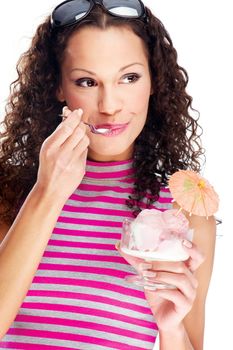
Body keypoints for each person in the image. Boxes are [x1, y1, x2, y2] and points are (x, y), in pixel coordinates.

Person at [0, 0, 216, 349]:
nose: (110, 106)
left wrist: (171, 328)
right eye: (86, 81)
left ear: (154, 81)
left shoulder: (182, 214)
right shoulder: (10, 193)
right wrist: (48, 192)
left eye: (129, 77)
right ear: (58, 87)